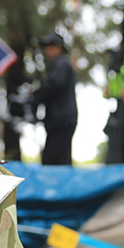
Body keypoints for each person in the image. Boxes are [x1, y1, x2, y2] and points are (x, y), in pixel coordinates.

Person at [31, 31, 78, 166]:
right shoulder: (61, 64)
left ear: (60, 48)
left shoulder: (61, 64)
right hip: (60, 119)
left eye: (52, 46)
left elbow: (54, 85)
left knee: (55, 161)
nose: (48, 50)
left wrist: (37, 95)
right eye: (47, 46)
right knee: (58, 158)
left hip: (61, 119)